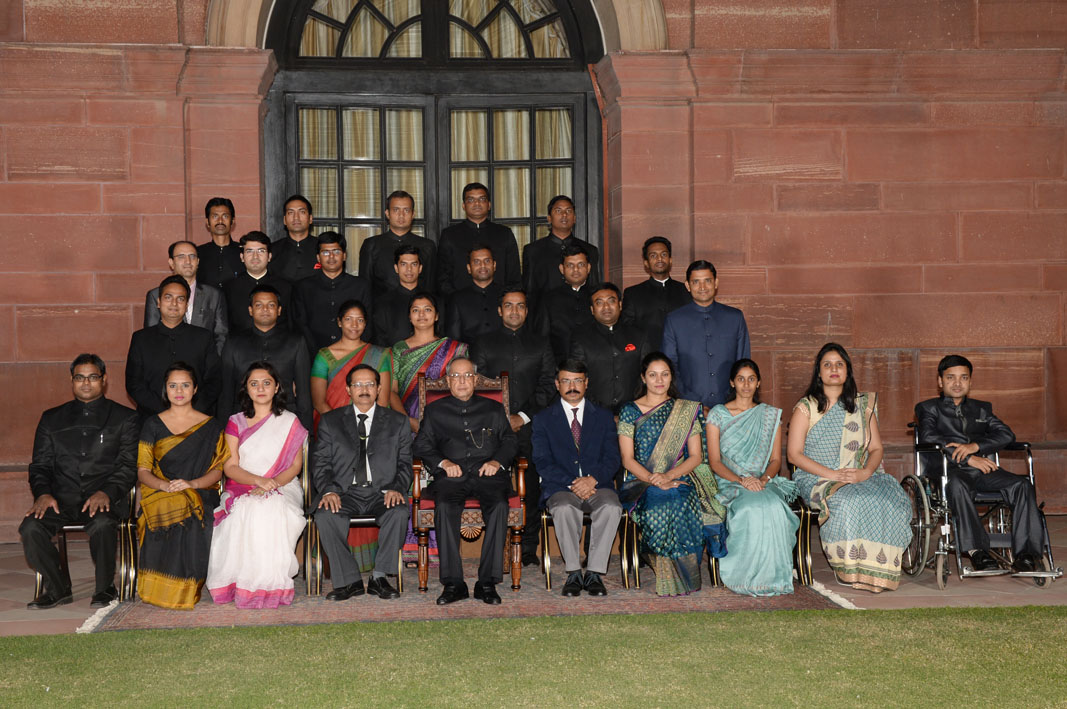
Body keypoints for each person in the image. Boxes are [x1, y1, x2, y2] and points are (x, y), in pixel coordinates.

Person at [786, 343, 912, 593]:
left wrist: (865, 473)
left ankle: (879, 572)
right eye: (827, 364)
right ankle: (850, 570)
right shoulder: (806, 407)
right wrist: (832, 474)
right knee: (849, 501)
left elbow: (876, 449)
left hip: (859, 473)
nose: (834, 369)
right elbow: (794, 454)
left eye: (839, 364)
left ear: (847, 371)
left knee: (886, 498)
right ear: (819, 373)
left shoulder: (862, 407)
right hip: (816, 476)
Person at [20, 354, 138, 609]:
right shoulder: (51, 418)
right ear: (71, 380)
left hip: (105, 498)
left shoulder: (124, 418)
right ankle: (58, 587)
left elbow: (128, 466)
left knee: (103, 523)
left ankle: (105, 588)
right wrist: (43, 493)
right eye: (80, 378)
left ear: (104, 380)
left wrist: (107, 491)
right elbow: (40, 465)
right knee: (30, 528)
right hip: (62, 498)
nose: (86, 383)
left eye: (93, 377)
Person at [915, 355, 1043, 573]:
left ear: (970, 382)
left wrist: (975, 446)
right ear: (940, 381)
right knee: (957, 484)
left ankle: (1026, 555)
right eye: (951, 378)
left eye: (963, 378)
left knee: (1022, 485)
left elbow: (1006, 435)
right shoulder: (928, 408)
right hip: (949, 472)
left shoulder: (982, 409)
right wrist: (967, 457)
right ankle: (977, 551)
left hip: (983, 470)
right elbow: (929, 437)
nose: (957, 383)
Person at [412, 357, 517, 605]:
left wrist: (496, 462)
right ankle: (453, 583)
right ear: (448, 380)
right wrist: (443, 463)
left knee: (500, 506)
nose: (462, 381)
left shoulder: (493, 408)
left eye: (467, 376)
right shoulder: (435, 411)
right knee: (446, 507)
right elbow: (421, 445)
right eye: (456, 376)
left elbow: (510, 441)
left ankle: (487, 583)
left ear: (475, 380)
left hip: (488, 476)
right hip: (451, 477)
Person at [618, 353, 724, 597]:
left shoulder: (685, 410)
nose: (659, 380)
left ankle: (686, 577)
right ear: (643, 378)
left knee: (680, 500)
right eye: (653, 375)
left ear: (671, 377)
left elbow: (696, 456)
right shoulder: (629, 411)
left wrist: (669, 477)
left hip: (681, 478)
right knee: (660, 504)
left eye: (665, 374)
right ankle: (669, 578)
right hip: (641, 482)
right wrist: (653, 478)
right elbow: (627, 459)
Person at [206, 362, 308, 608]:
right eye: (254, 383)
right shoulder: (235, 422)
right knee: (249, 508)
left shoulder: (290, 421)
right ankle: (244, 584)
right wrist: (258, 481)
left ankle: (272, 584)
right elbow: (230, 467)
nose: (260, 388)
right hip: (243, 485)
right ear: (246, 389)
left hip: (284, 485)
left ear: (276, 388)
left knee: (271, 507)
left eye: (266, 383)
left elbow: (294, 467)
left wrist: (271, 484)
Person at [312, 364, 413, 601]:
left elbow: (405, 464)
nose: (364, 389)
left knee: (398, 512)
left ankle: (379, 577)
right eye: (358, 384)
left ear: (379, 389)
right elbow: (321, 463)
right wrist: (328, 491)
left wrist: (396, 488)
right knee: (325, 515)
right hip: (344, 493)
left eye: (370, 384)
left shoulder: (398, 422)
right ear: (348, 389)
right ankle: (349, 581)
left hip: (382, 492)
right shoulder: (330, 421)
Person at [471, 288, 555, 564]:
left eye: (520, 306)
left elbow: (547, 384)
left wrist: (522, 416)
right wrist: (500, 418)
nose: (515, 311)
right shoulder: (483, 342)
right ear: (499, 310)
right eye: (509, 306)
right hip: (490, 428)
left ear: (527, 310)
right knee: (492, 485)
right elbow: (478, 384)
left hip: (530, 427)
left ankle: (528, 548)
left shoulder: (541, 343)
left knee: (529, 487)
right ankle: (496, 546)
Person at [136, 362, 229, 609]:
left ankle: (185, 589)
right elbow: (143, 470)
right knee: (172, 503)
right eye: (173, 385)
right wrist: (165, 486)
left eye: (185, 385)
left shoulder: (211, 425)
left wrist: (191, 484)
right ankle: (157, 587)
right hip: (159, 491)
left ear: (195, 389)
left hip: (200, 492)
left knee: (187, 506)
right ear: (165, 390)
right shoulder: (152, 424)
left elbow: (218, 470)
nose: (179, 391)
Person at [310, 299, 392, 573]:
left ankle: (371, 562)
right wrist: (344, 431)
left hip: (373, 433)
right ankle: (340, 562)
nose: (354, 325)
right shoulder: (325, 356)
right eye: (349, 319)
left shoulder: (379, 355)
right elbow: (319, 401)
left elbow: (385, 400)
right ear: (339, 322)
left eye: (360, 319)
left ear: (365, 323)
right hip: (334, 435)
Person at [706, 358, 798, 597]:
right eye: (740, 379)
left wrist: (763, 480)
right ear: (732, 383)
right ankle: (745, 576)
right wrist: (742, 480)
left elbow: (776, 460)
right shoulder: (718, 414)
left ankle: (775, 578)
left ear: (758, 383)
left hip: (763, 481)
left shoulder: (769, 416)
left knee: (774, 508)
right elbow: (714, 461)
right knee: (750, 510)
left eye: (751, 379)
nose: (746, 384)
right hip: (730, 481)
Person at [532, 359, 622, 597]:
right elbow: (542, 461)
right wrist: (573, 482)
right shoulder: (543, 419)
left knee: (612, 507)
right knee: (563, 508)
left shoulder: (603, 417)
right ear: (557, 384)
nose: (572, 386)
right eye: (566, 381)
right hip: (561, 487)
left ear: (586, 383)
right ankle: (573, 573)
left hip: (598, 485)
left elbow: (613, 457)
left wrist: (592, 480)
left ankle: (593, 573)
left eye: (578, 380)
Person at [126, 275, 221, 419]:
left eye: (180, 299)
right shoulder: (141, 339)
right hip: (153, 420)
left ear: (187, 304)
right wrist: (165, 412)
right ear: (158, 302)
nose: (174, 303)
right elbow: (134, 384)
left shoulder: (203, 337)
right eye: (168, 297)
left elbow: (214, 380)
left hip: (196, 419)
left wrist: (191, 411)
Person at [219, 284, 312, 431]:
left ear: (279, 310)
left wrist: (306, 431)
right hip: (244, 420)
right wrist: (224, 431)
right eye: (259, 305)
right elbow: (226, 393)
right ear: (250, 310)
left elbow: (304, 393)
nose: (265, 309)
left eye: (271, 305)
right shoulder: (234, 342)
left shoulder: (296, 342)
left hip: (285, 419)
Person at [662, 260, 750, 411]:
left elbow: (743, 363)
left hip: (730, 406)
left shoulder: (735, 318)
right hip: (687, 406)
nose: (702, 287)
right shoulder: (674, 320)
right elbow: (669, 366)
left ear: (716, 283)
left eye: (707, 281)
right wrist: (691, 401)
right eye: (696, 282)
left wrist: (731, 401)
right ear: (688, 286)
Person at [389, 291, 468, 433]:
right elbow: (392, 391)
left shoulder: (454, 349)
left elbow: (464, 388)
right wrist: (408, 421)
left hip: (447, 422)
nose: (421, 315)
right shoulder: (399, 349)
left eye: (427, 309)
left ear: (436, 316)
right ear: (409, 317)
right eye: (415, 310)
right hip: (406, 424)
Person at [569, 282, 650, 414]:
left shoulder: (639, 335)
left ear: (620, 304)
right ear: (592, 310)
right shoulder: (581, 338)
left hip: (635, 412)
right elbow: (578, 379)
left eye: (611, 301)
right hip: (594, 413)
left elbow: (648, 374)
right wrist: (602, 413)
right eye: (599, 303)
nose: (606, 307)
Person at [293, 231, 375, 354]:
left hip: (354, 356)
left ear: (344, 255)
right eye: (325, 252)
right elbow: (300, 326)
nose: (331, 257)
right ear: (318, 258)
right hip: (313, 356)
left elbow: (369, 324)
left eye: (336, 252)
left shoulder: (361, 286)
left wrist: (353, 351)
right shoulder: (303, 287)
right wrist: (319, 354)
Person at [436, 182, 521, 297]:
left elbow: (513, 274)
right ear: (463, 206)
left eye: (482, 199)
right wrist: (456, 301)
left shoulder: (504, 233)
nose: (476, 203)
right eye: (471, 200)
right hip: (460, 303)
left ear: (489, 205)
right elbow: (443, 277)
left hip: (498, 302)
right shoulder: (450, 235)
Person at [145, 240, 228, 354]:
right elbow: (151, 336)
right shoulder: (155, 295)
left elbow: (221, 335)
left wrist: (211, 362)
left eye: (192, 256)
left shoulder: (214, 295)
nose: (188, 261)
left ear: (198, 262)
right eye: (181, 257)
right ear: (171, 262)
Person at [521, 195, 600, 311]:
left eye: (568, 211)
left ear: (574, 218)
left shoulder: (589, 250)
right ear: (549, 218)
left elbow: (594, 288)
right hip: (545, 316)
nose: (564, 215)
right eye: (558, 211)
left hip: (581, 316)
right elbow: (529, 290)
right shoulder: (533, 250)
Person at [359, 190, 436, 295]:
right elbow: (364, 287)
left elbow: (430, 286)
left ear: (413, 214)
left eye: (406, 210)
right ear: (387, 213)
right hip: (381, 308)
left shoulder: (427, 246)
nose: (401, 215)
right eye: (396, 210)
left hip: (417, 309)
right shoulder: (372, 245)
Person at [620, 236, 690, 350]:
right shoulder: (633, 293)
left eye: (664, 254)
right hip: (647, 358)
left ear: (670, 259)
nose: (659, 259)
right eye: (653, 255)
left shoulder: (686, 290)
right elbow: (627, 330)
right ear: (646, 263)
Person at [531, 242, 596, 361]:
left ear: (588, 268)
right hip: (560, 368)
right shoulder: (548, 299)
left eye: (581, 264)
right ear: (562, 269)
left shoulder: (598, 296)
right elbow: (541, 339)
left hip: (595, 366)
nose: (575, 269)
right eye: (570, 265)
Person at [223, 231, 293, 334]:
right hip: (240, 346)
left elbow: (291, 325)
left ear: (269, 256)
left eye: (261, 251)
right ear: (242, 257)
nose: (255, 256)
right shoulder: (229, 288)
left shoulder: (286, 287)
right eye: (249, 251)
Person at [445, 244, 504, 343]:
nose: (482, 265)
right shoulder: (457, 298)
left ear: (494, 265)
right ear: (469, 268)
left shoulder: (507, 295)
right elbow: (453, 340)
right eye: (477, 262)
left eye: (487, 261)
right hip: (470, 355)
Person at [371, 245, 423, 349]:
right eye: (403, 264)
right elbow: (379, 342)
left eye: (414, 264)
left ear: (420, 268)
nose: (409, 269)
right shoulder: (382, 303)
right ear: (396, 268)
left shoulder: (434, 301)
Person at [197, 197, 244, 291]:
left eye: (225, 216)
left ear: (232, 221)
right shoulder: (198, 253)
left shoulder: (243, 252)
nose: (220, 221)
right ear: (207, 222)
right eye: (215, 216)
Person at [270, 194, 319, 283]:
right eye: (291, 213)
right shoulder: (272, 250)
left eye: (302, 212)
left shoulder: (322, 248)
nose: (296, 217)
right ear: (284, 220)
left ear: (310, 218)